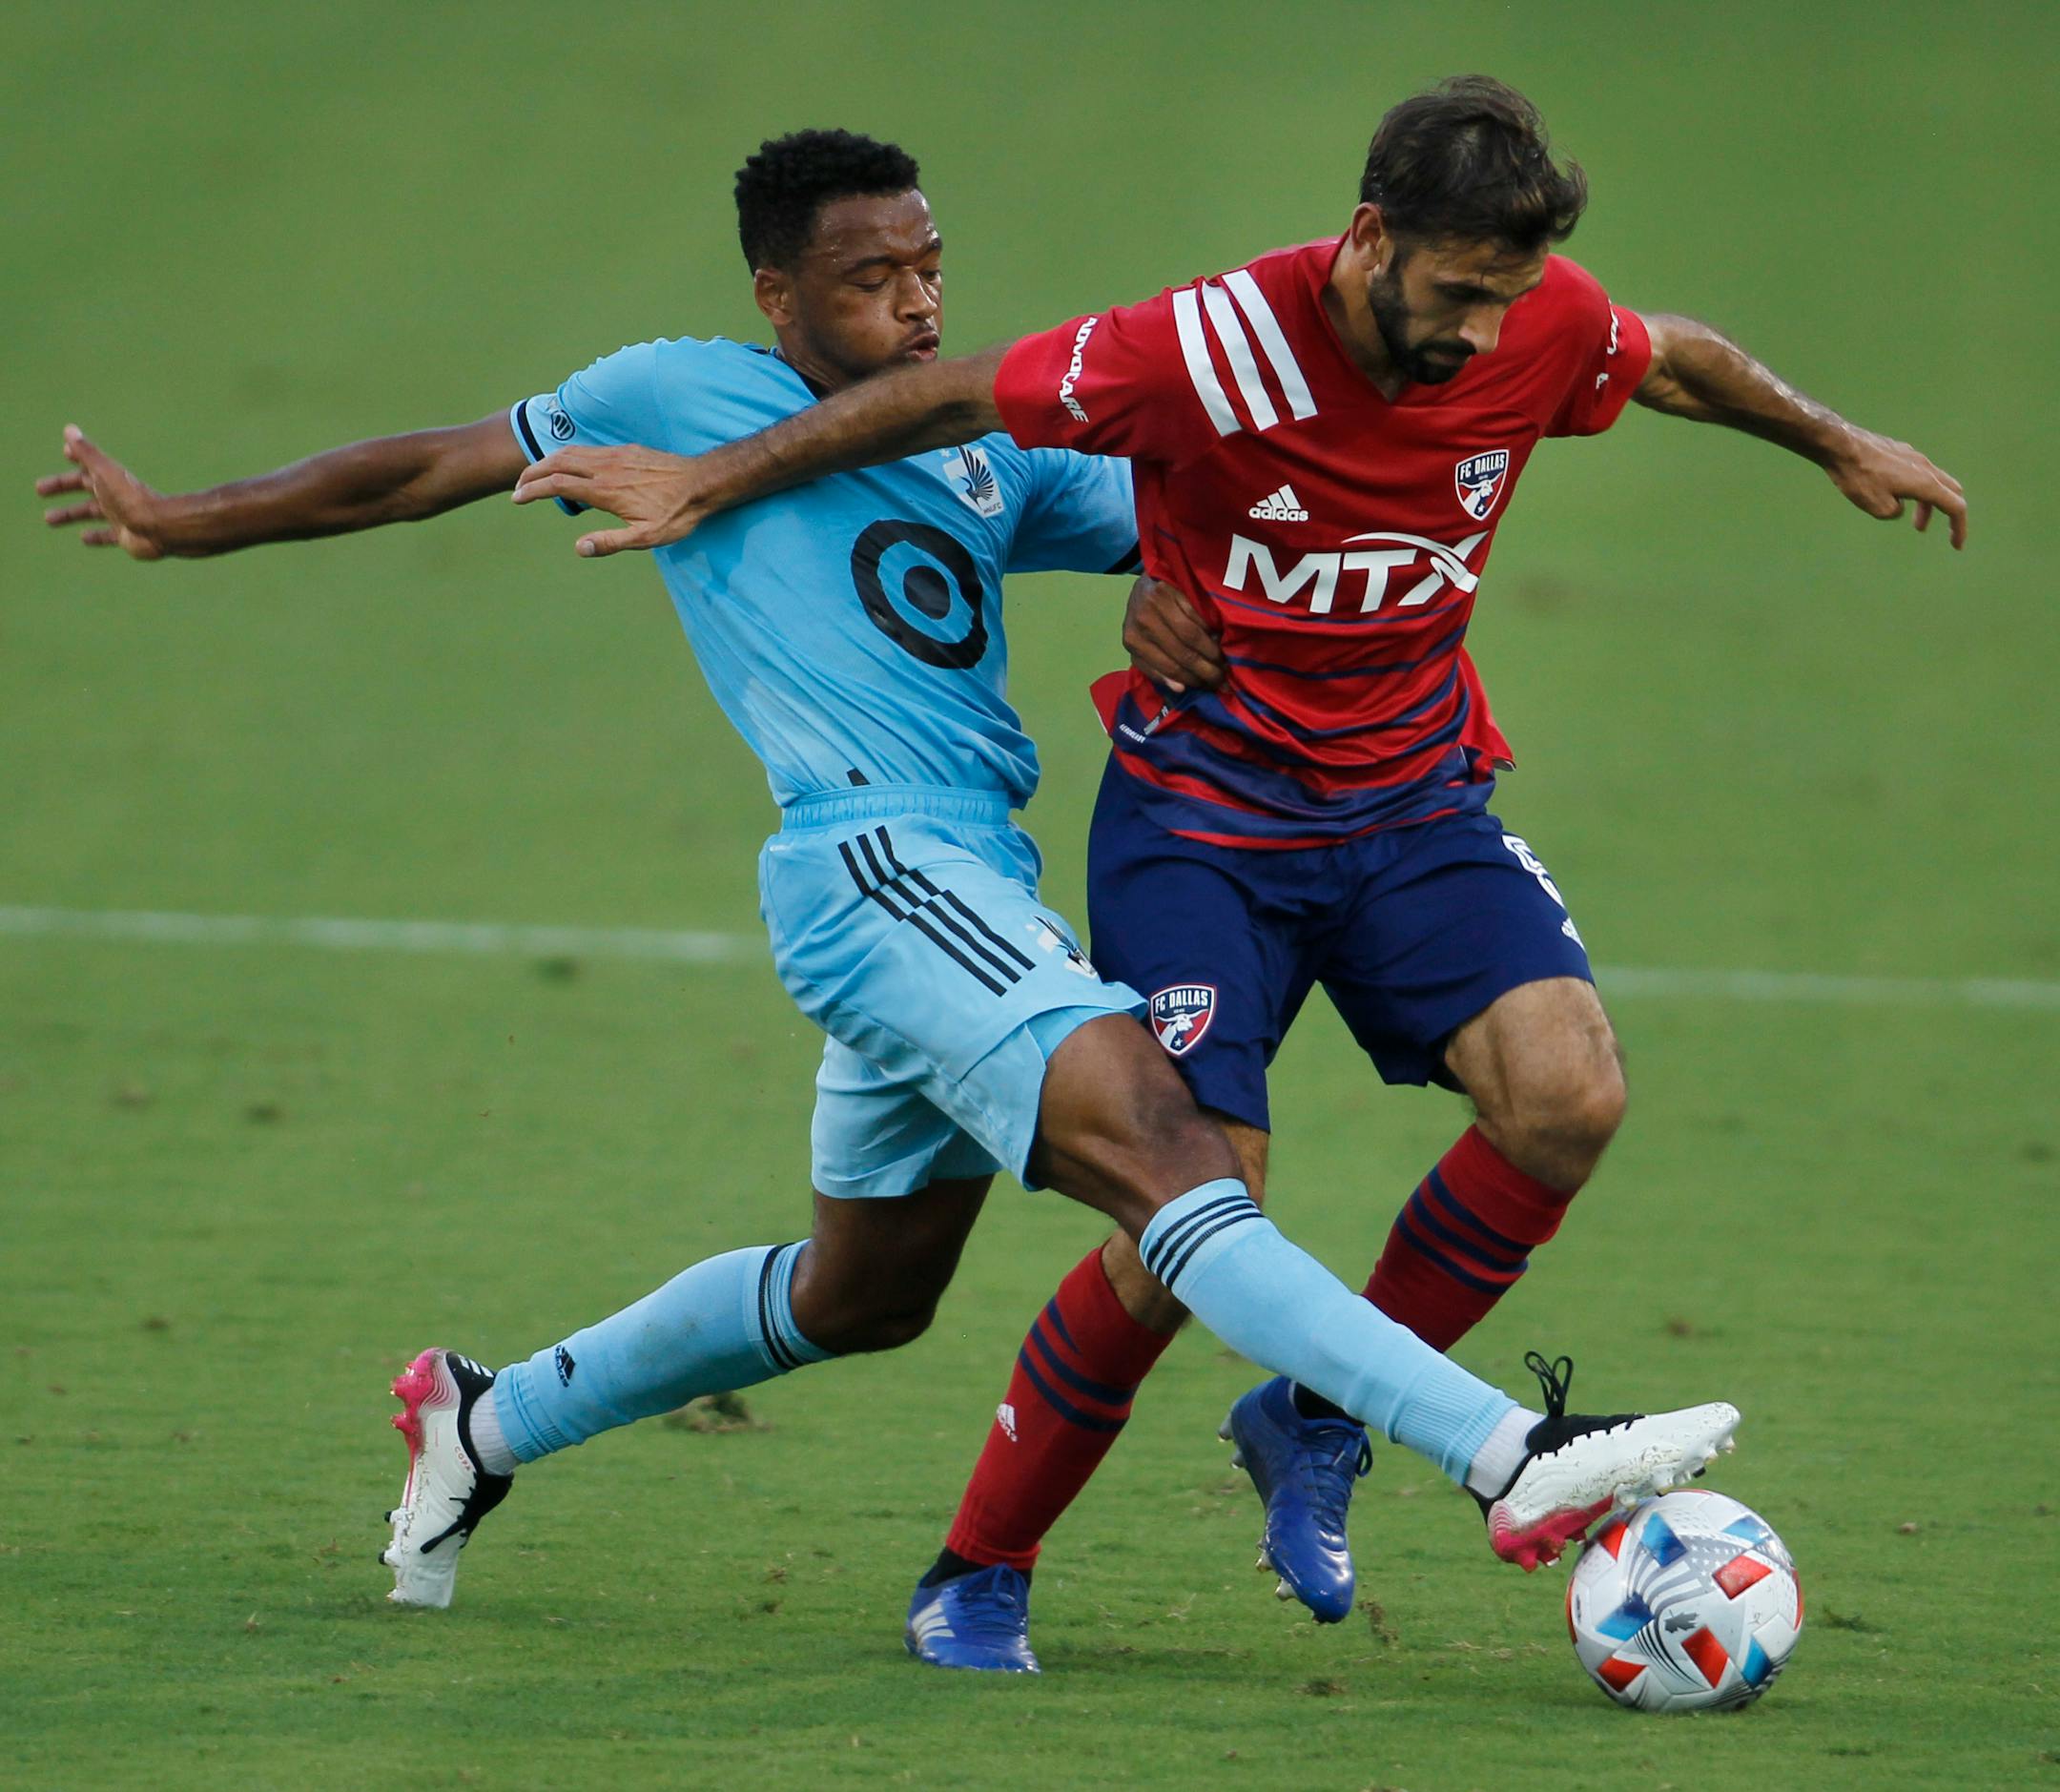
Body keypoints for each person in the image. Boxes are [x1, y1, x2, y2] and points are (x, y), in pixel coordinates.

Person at [34, 126, 1739, 1654]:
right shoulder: (677, 395)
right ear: (778, 296)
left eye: (930, 269)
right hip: (870, 860)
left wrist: (1169, 590)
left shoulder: (983, 454)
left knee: (864, 1295)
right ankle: (1504, 1453)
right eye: (871, 279)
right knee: (1177, 1156)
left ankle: (483, 1421)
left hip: (972, 876)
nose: (918, 304)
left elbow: (1213, 517)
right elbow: (428, 466)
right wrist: (191, 520)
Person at [505, 80, 1962, 1671]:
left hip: (1416, 801)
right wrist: (710, 479)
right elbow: (958, 398)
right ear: (1371, 238)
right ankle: (980, 1569)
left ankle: (1316, 1420)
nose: (1484, 333)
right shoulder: (1206, 345)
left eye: (1508, 295)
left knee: (1569, 1097)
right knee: (1199, 1204)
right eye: (1457, 292)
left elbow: (1667, 354)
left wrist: (1838, 439)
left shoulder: (1537, 319)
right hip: (1206, 822)